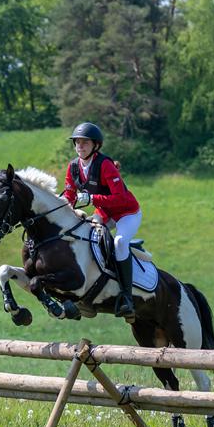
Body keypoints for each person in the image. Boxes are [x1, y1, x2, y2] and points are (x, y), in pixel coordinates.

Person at [61, 122, 141, 320]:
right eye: (77, 142)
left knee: (119, 242)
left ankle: (127, 297)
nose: (80, 146)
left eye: (85, 142)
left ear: (95, 145)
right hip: (105, 213)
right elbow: (69, 196)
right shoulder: (73, 167)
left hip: (127, 213)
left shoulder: (105, 165)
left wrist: (92, 199)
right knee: (83, 237)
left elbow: (120, 198)